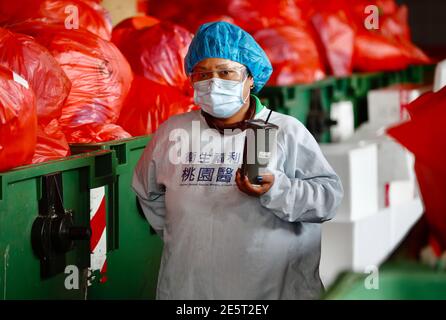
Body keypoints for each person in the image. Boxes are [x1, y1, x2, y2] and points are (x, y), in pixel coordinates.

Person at [132, 21, 343, 300]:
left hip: (271, 290)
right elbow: (148, 194)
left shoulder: (284, 132)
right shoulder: (174, 132)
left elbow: (328, 199)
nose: (214, 82)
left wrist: (276, 190)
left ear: (251, 78)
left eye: (226, 72)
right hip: (191, 291)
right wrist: (184, 235)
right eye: (203, 73)